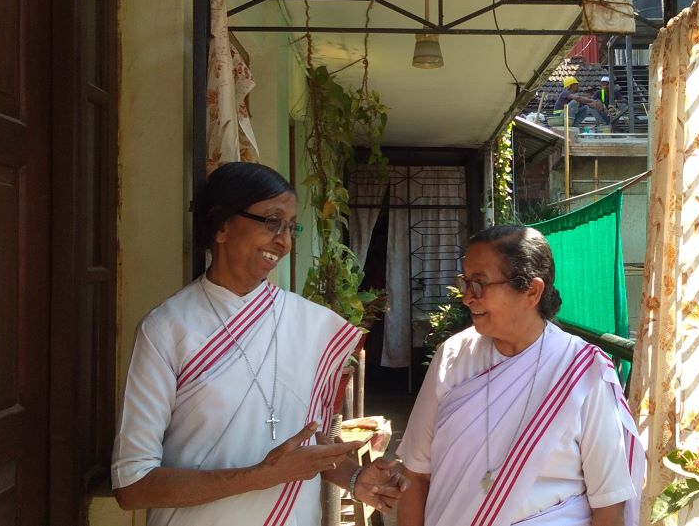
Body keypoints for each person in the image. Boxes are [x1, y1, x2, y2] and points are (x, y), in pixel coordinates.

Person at [112, 161, 408, 526]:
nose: (283, 241)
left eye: (289, 227)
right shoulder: (167, 329)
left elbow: (306, 446)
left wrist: (354, 478)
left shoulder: (308, 324)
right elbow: (133, 486)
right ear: (221, 225)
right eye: (271, 222)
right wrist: (261, 475)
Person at [395, 225, 644, 526]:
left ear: (531, 291)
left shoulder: (582, 371)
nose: (467, 298)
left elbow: (608, 506)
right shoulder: (452, 357)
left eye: (480, 284)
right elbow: (415, 475)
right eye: (465, 282)